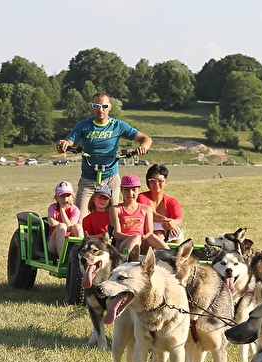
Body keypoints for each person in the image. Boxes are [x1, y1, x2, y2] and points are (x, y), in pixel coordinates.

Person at [56, 92, 152, 221]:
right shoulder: (84, 125)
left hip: (111, 177)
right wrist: (64, 144)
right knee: (80, 218)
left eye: (104, 106)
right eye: (97, 106)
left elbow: (146, 139)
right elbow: (68, 141)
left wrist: (143, 146)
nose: (101, 110)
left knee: (115, 216)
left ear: (110, 107)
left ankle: (114, 239)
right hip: (88, 178)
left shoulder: (117, 125)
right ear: (92, 107)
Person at [109, 174, 169, 253]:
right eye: (126, 190)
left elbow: (149, 232)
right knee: (136, 238)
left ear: (139, 190)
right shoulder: (116, 209)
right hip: (124, 243)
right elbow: (117, 235)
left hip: (143, 241)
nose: (130, 193)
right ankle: (128, 260)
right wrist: (135, 237)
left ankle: (171, 256)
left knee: (152, 237)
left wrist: (143, 237)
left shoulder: (146, 209)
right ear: (121, 190)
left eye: (134, 189)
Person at [137, 164, 183, 243]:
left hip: (168, 229)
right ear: (148, 182)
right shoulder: (141, 197)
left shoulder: (172, 201)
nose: (156, 184)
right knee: (158, 235)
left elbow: (179, 219)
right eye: (152, 181)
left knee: (177, 237)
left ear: (166, 182)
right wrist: (166, 220)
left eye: (160, 181)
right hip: (147, 231)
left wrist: (173, 222)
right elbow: (148, 214)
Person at [47, 181, 84, 257]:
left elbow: (71, 226)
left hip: (70, 242)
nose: (65, 198)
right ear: (56, 198)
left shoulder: (75, 210)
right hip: (53, 243)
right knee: (61, 226)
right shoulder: (53, 207)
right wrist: (62, 210)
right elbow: (52, 223)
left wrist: (62, 211)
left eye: (68, 195)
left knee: (78, 227)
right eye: (62, 196)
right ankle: (63, 259)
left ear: (73, 197)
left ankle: (81, 256)